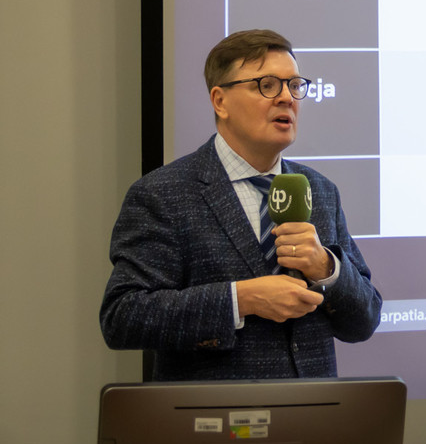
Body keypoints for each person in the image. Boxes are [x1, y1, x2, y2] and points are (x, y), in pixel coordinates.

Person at [101, 29, 381, 379]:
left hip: (313, 408)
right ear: (220, 101)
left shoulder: (320, 190)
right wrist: (240, 300)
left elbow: (365, 320)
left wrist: (326, 267)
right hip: (217, 410)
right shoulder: (163, 194)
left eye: (294, 86)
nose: (286, 98)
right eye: (267, 85)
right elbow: (123, 317)